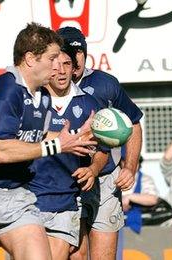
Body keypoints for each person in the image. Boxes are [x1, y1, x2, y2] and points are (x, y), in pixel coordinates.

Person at [0, 23, 96, 259]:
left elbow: (38, 136)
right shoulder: (7, 89)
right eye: (52, 57)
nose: (59, 64)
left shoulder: (41, 94)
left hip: (16, 195)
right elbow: (1, 151)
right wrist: (59, 146)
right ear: (31, 59)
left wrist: (74, 138)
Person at [58, 26, 144, 260]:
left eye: (77, 55)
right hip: (67, 180)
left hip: (105, 180)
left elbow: (134, 124)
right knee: (77, 254)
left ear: (85, 53)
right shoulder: (49, 86)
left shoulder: (106, 83)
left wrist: (130, 167)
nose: (72, 63)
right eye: (66, 55)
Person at [28, 47, 108, 260]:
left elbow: (103, 149)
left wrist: (93, 168)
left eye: (66, 65)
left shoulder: (88, 104)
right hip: (29, 196)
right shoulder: (32, 100)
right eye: (55, 66)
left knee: (75, 254)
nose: (61, 71)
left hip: (68, 196)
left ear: (74, 69)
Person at [123, 156, 159, 233]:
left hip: (142, 222)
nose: (131, 165)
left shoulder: (145, 179)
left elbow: (153, 199)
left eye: (135, 162)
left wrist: (128, 197)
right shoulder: (113, 179)